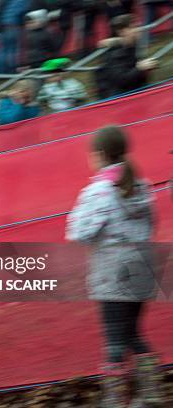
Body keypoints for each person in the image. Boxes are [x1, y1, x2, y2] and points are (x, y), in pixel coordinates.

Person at [66, 125, 164, 407]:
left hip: (113, 276)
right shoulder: (141, 186)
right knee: (133, 334)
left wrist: (76, 215)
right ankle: (151, 391)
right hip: (143, 271)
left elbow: (81, 233)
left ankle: (115, 399)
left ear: (98, 155)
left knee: (115, 343)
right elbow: (152, 224)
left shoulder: (98, 192)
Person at [95, 14, 158, 99]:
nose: (139, 30)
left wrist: (146, 70)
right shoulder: (114, 52)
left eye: (138, 26)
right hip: (118, 98)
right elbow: (121, 81)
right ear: (122, 31)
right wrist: (139, 68)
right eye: (133, 27)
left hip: (134, 90)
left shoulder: (134, 45)